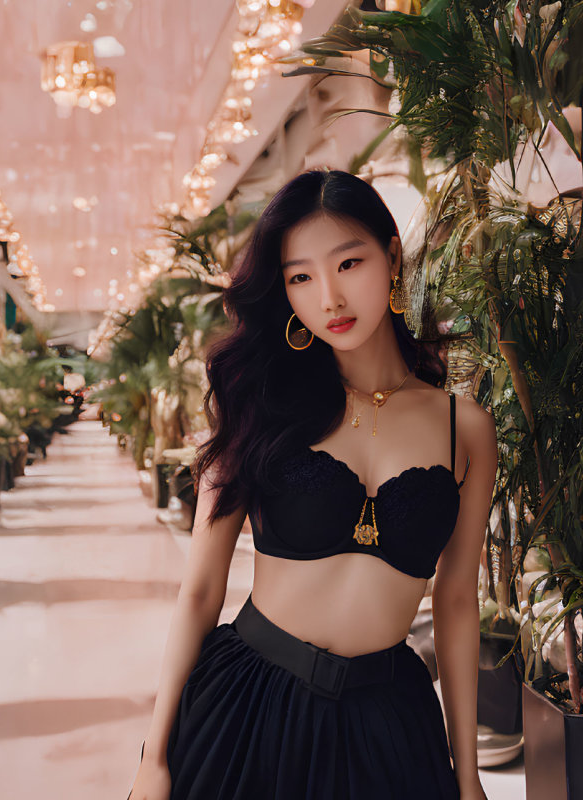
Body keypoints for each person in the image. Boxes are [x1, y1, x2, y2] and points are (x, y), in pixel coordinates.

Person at [127, 168, 497, 800]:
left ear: (392, 257)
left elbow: (458, 602)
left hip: (388, 724)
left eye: (348, 263)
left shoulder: (464, 427)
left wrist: (469, 779)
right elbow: (201, 589)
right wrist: (154, 758)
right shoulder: (257, 404)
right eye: (300, 277)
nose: (329, 297)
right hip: (252, 708)